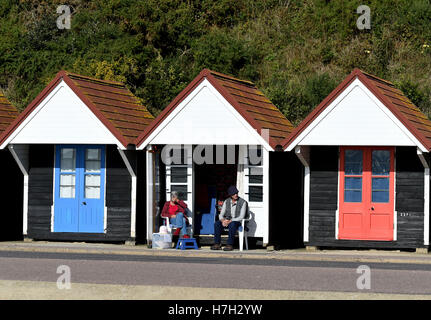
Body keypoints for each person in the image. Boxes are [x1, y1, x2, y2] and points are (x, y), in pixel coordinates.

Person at [211, 186, 248, 251]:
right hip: (227, 220)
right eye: (234, 194)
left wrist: (230, 221)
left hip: (238, 222)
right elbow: (221, 214)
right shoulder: (226, 201)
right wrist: (223, 220)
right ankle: (217, 244)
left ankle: (229, 244)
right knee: (217, 224)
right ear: (230, 195)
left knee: (232, 224)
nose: (236, 195)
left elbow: (241, 217)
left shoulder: (243, 202)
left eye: (236, 193)